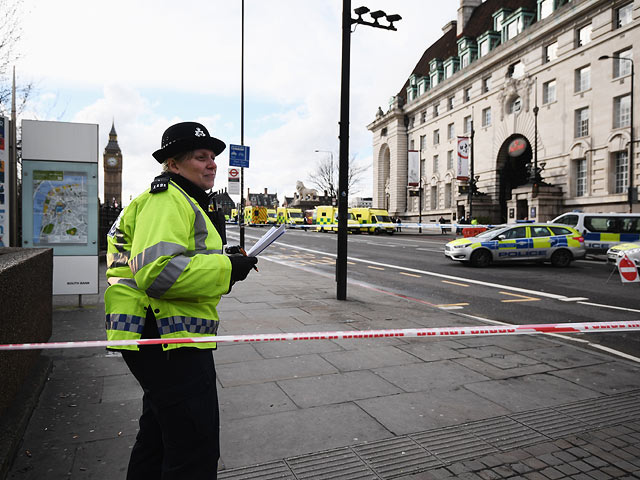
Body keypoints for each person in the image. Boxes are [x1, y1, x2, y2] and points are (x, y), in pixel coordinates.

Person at [104, 121, 258, 479]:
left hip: (160, 334)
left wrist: (229, 263)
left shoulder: (180, 198)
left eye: (213, 157)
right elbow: (157, 273)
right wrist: (226, 268)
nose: (212, 164)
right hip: (167, 337)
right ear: (173, 164)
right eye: (200, 157)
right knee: (194, 450)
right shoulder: (168, 199)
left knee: (158, 437)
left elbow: (180, 259)